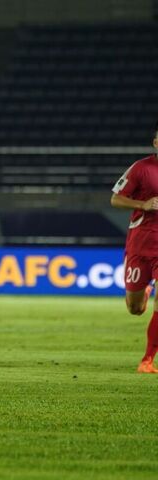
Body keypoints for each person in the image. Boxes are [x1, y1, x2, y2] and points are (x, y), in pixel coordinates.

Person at [111, 122, 158, 374]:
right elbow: (115, 199)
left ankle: (147, 360)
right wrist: (143, 204)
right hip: (140, 246)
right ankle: (146, 289)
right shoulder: (141, 169)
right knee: (136, 309)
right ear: (155, 143)